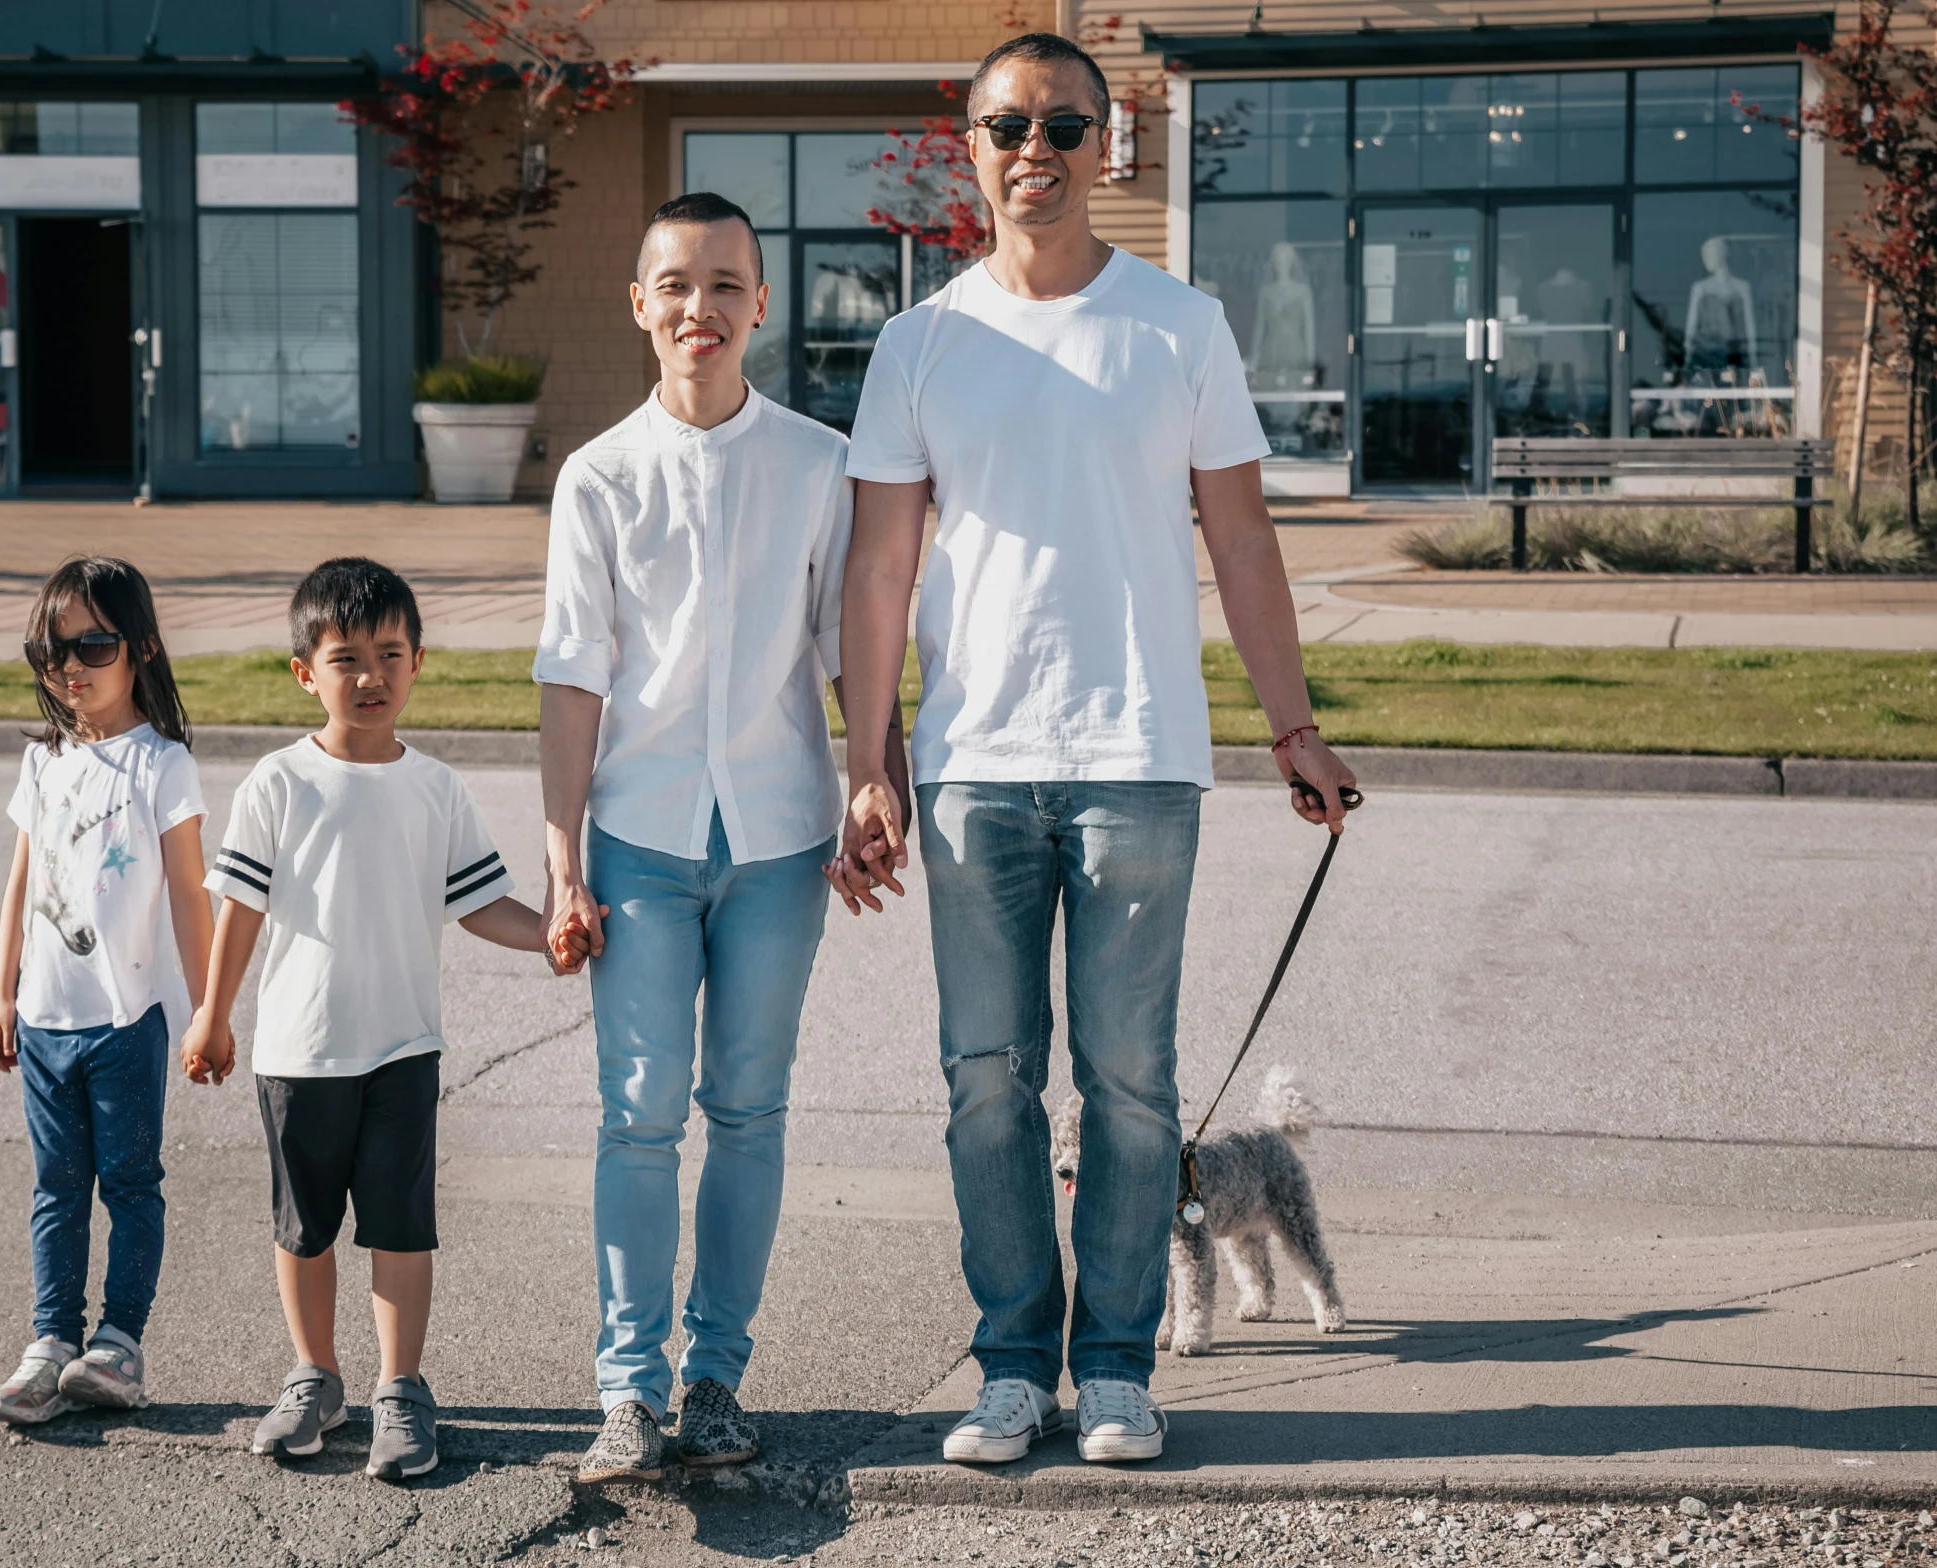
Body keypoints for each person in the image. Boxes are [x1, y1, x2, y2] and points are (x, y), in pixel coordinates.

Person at [833, 33, 1360, 1468]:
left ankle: (1117, 1369)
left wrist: (1292, 723)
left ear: (1105, 144)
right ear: (973, 146)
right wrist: (868, 758)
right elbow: (878, 570)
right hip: (972, 768)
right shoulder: (920, 341)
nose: (1037, 147)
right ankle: (1014, 1370)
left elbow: (1240, 534)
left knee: (1130, 1083)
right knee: (986, 1079)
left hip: (1139, 755)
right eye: (1010, 123)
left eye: (1066, 123)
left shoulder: (1177, 327)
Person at [537, 192, 906, 1482]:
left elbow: (847, 650)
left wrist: (874, 785)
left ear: (762, 303)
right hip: (636, 835)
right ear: (640, 303)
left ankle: (714, 1377)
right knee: (638, 1116)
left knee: (747, 1109)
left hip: (776, 841)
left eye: (726, 285)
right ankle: (626, 1391)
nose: (701, 309)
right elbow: (573, 674)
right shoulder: (597, 477)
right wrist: (562, 853)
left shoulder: (818, 463)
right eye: (676, 285)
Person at [180, 558, 575, 1481]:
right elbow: (237, 909)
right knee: (305, 1227)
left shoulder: (435, 788)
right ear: (303, 673)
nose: (369, 676)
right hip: (296, 1050)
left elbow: (483, 904)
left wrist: (550, 938)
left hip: (403, 1050)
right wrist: (212, 1016)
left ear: (418, 664)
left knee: (401, 1226)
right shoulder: (279, 782)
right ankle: (314, 1377)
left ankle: (401, 1389)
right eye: (345, 658)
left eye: (389, 655)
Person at [0, 556, 213, 1425]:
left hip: (124, 1022)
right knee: (55, 1187)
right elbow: (19, 882)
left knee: (130, 1183)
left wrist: (209, 1013)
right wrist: (2, 993)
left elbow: (191, 895)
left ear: (141, 648)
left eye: (93, 644)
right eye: (50, 649)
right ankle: (49, 1345)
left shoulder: (161, 765)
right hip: (43, 1018)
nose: (70, 666)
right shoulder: (41, 762)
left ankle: (117, 1346)